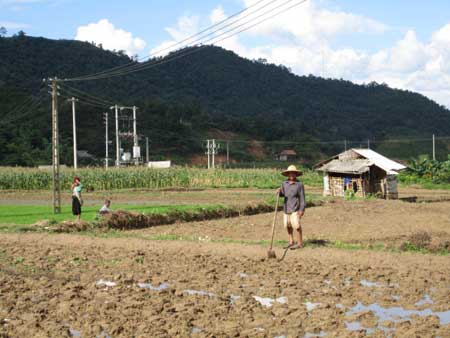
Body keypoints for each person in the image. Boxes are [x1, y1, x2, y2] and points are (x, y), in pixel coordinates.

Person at [277, 165, 306, 250]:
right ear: (288, 174)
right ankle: (291, 242)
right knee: (288, 225)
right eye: (290, 174)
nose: (292, 175)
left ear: (296, 174)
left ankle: (300, 243)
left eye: (293, 174)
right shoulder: (284, 183)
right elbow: (282, 194)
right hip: (286, 208)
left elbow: (302, 198)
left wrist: (302, 210)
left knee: (297, 226)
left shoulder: (299, 185)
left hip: (295, 208)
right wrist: (279, 192)